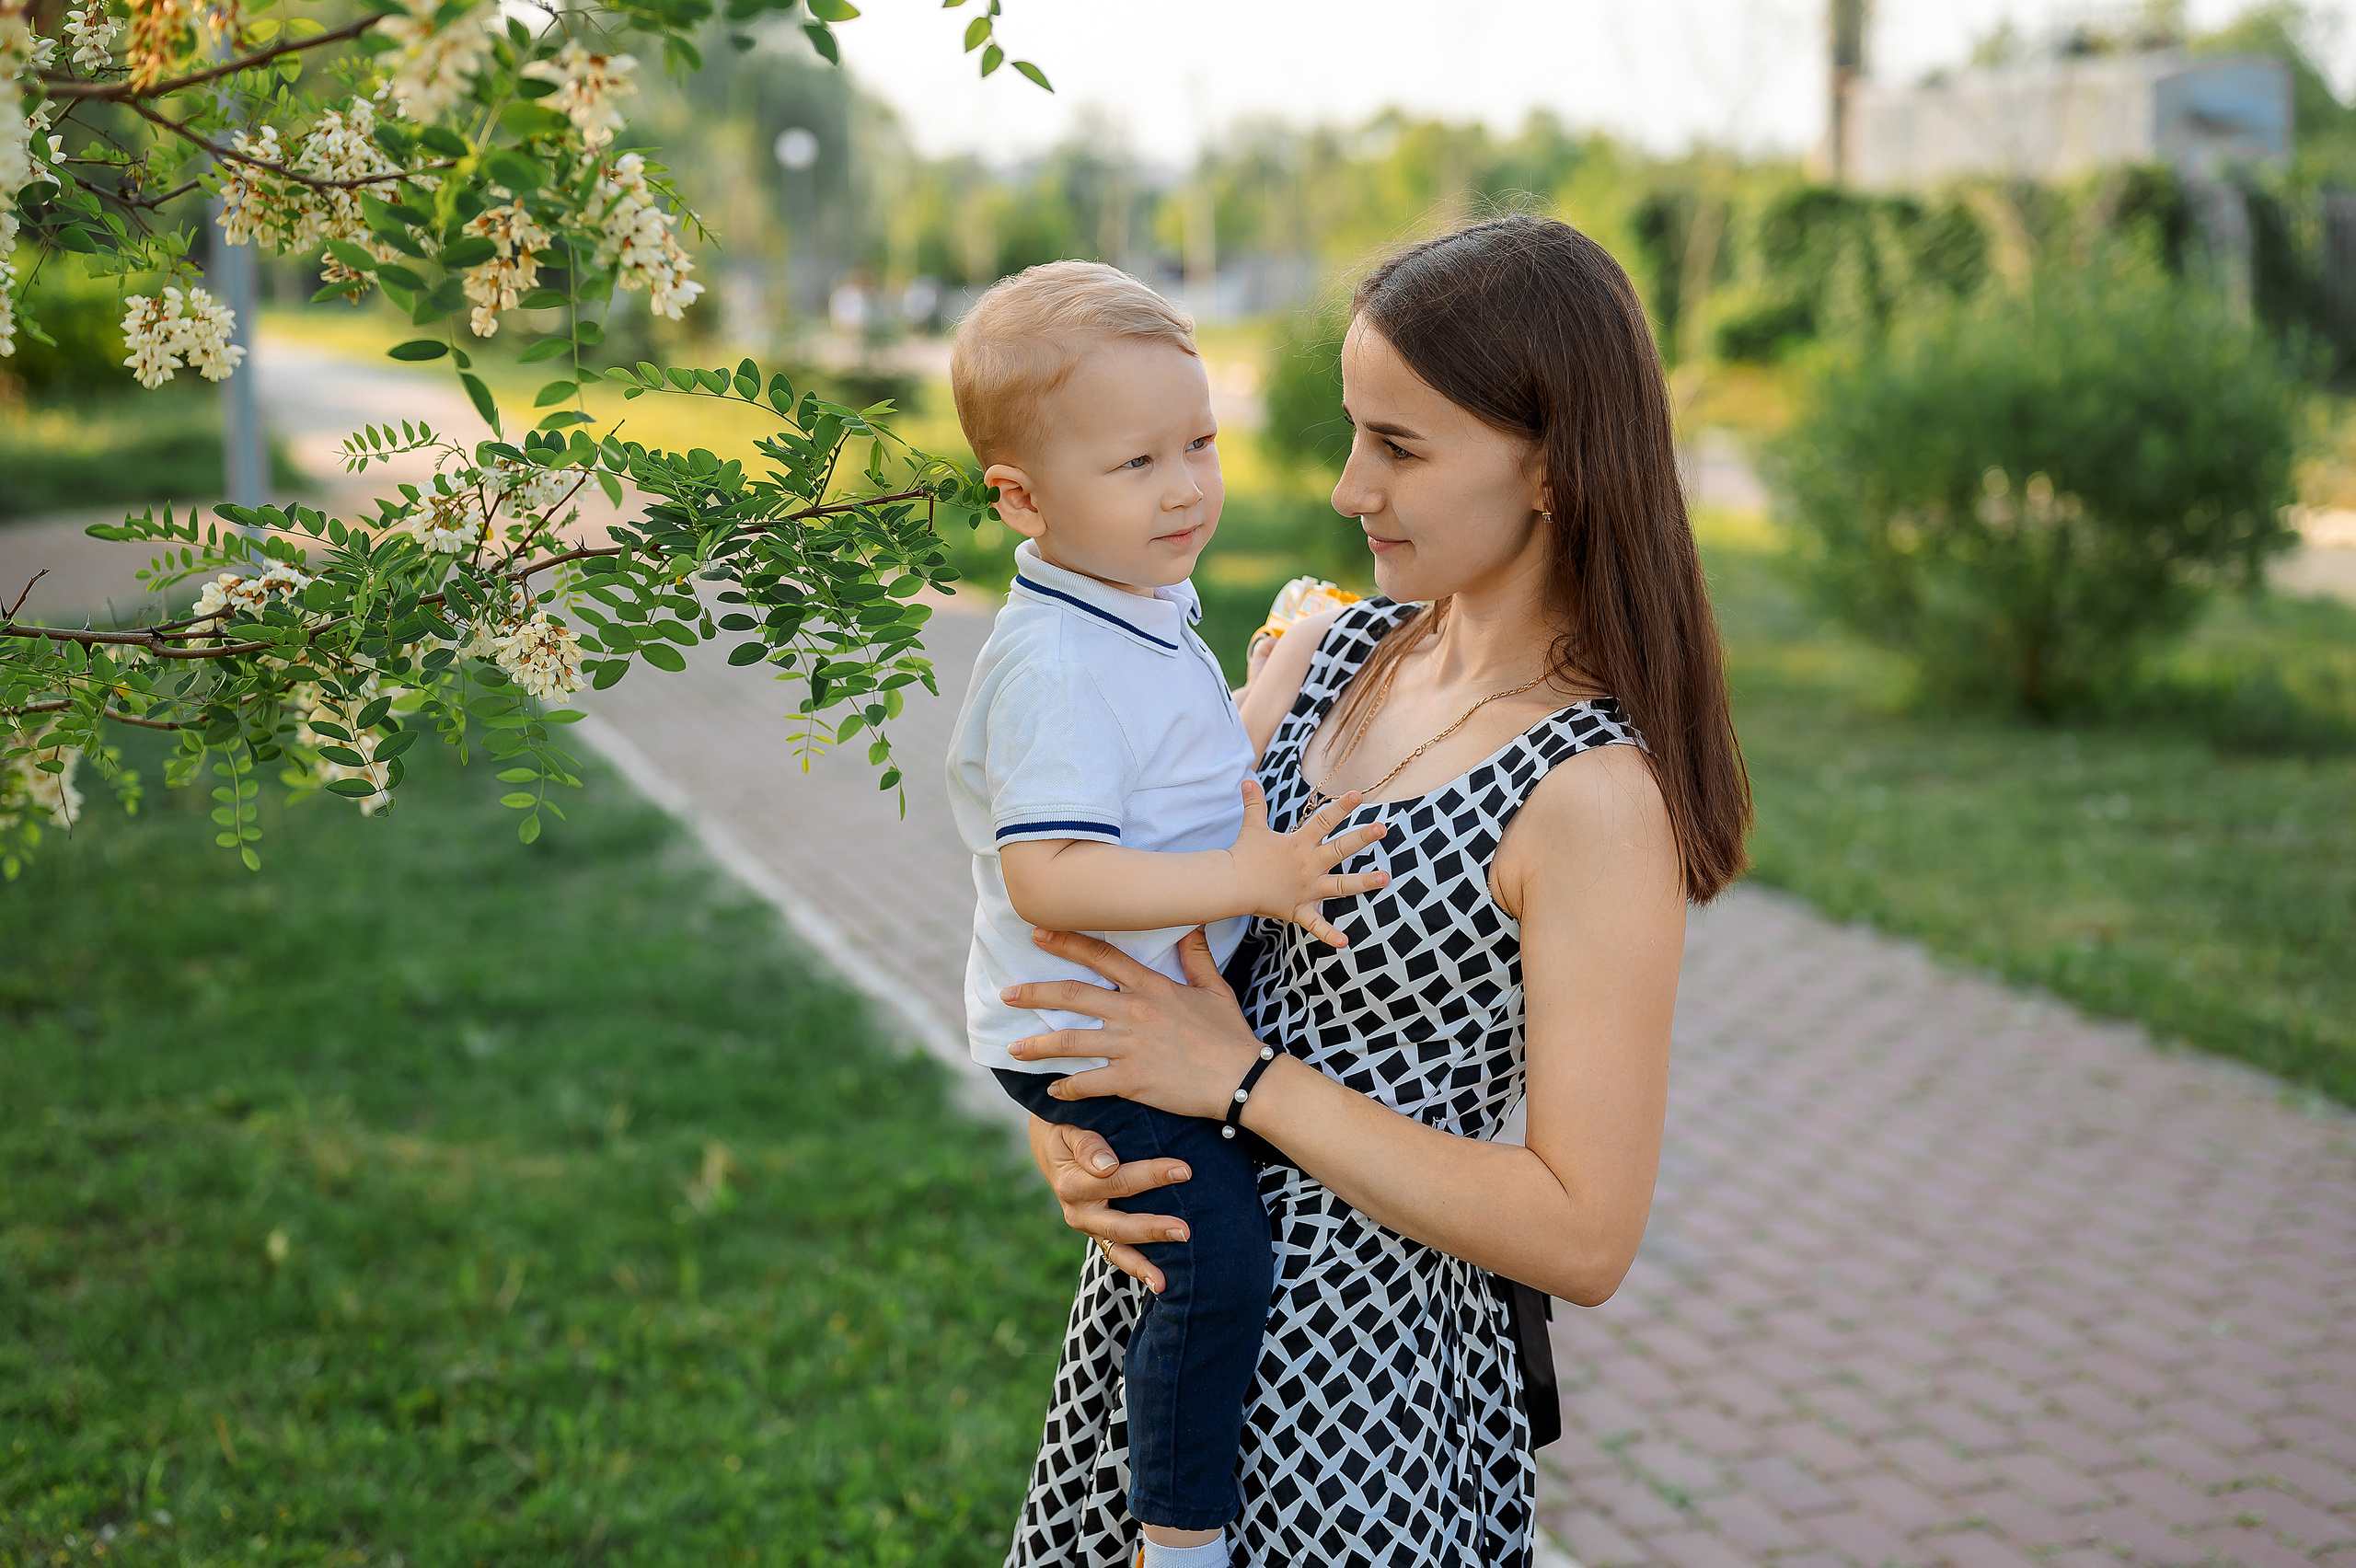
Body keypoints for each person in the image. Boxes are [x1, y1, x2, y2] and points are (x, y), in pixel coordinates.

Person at [997, 215, 1753, 1567]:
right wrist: (1077, 1132)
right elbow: (1127, 915)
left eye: (1400, 447)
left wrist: (1242, 1086)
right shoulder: (1340, 651)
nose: (1350, 487)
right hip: (1167, 1343)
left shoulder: (1589, 793)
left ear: (1553, 468)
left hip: (1363, 1420)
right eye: (1357, 433)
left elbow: (1585, 1233)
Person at [944, 260, 1394, 1568]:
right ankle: (1180, 1538)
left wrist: (1282, 673)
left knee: (1213, 1243)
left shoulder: (1136, 603)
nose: (1187, 486)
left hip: (1138, 1011)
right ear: (1024, 498)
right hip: (1090, 1035)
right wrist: (1254, 884)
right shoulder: (1059, 664)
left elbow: (1194, 789)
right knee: (1219, 1260)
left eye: (1198, 442)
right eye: (1136, 463)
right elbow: (1055, 877)